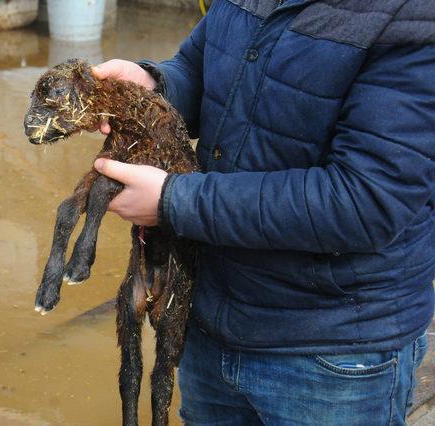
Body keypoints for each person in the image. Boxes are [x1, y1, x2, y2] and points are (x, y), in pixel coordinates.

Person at [90, 0, 435, 424]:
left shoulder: (414, 15)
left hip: (331, 352)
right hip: (213, 321)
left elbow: (366, 201)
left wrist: (173, 201)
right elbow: (202, 72)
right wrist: (152, 89)